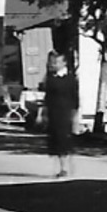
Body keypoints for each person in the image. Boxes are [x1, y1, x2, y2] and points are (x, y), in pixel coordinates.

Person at [44, 51, 79, 179]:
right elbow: (47, 97)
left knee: (64, 138)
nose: (54, 64)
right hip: (54, 112)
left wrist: (75, 116)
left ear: (64, 63)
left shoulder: (70, 79)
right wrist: (43, 114)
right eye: (52, 62)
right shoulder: (50, 78)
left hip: (66, 112)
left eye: (57, 62)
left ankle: (66, 167)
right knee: (56, 140)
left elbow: (75, 98)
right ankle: (61, 166)